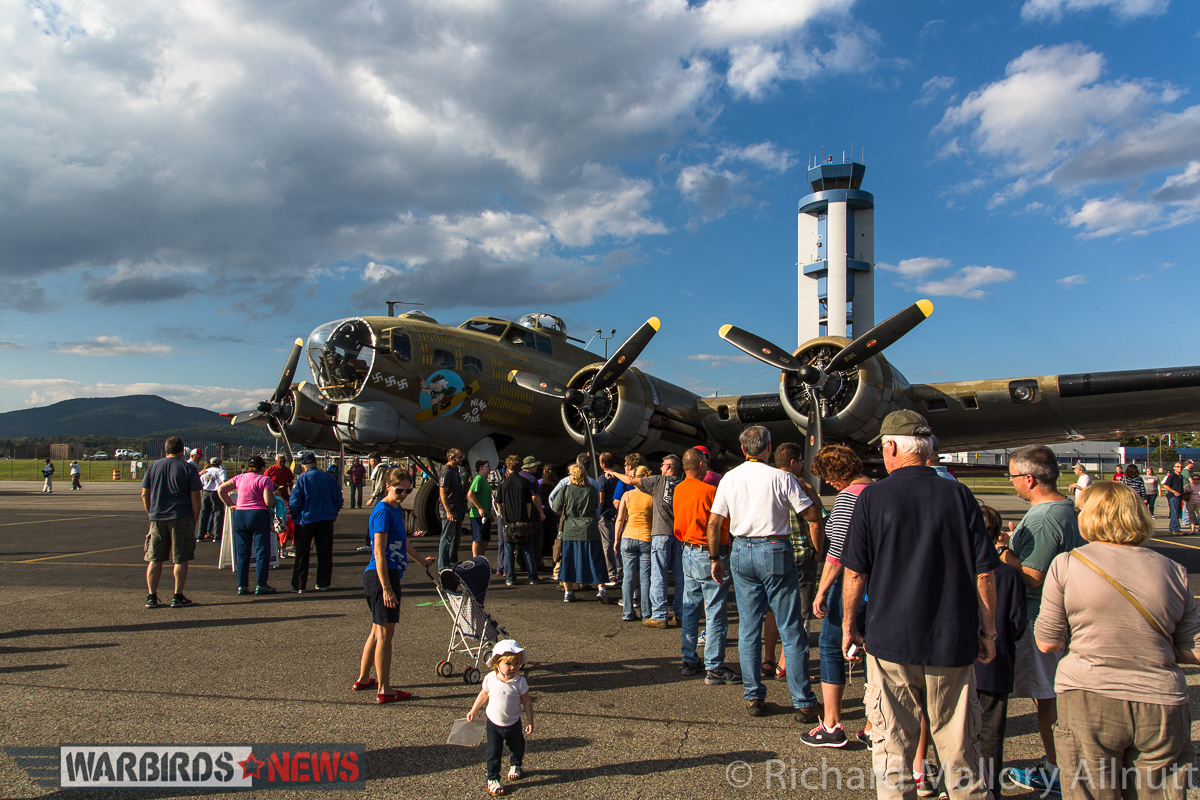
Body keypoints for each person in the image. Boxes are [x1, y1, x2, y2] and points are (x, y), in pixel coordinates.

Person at [841, 410, 998, 800]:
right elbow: (984, 574)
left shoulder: (872, 497)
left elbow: (855, 574)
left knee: (894, 751)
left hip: (890, 640)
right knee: (961, 752)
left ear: (891, 447)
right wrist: (988, 631)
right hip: (951, 640)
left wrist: (849, 627)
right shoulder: (960, 495)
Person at [1035, 482, 1200, 800]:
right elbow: (1193, 648)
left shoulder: (1067, 564)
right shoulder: (1174, 571)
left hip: (1089, 695)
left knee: (1092, 791)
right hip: (1161, 701)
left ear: (1088, 517)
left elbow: (1047, 642)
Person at [707, 425, 823, 721]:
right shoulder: (781, 477)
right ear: (768, 447)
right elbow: (812, 515)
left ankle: (753, 696)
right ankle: (803, 700)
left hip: (741, 550)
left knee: (748, 627)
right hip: (774, 548)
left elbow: (714, 522)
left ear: (743, 449)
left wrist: (714, 557)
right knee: (790, 626)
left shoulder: (730, 478)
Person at [997, 443, 1085, 796]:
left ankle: (1057, 771)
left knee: (1048, 700)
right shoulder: (1065, 509)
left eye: (1013, 476)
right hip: (1063, 615)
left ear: (1029, 479)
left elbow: (1032, 576)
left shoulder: (1045, 517)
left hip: (1040, 618)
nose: (1012, 482)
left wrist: (1003, 552)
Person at [804, 444, 872, 748]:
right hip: (880, 586)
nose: (828, 482)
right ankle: (874, 725)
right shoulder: (878, 491)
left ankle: (831, 724)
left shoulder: (848, 497)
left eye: (829, 475)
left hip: (852, 585)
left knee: (832, 645)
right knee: (874, 652)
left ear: (839, 472)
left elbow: (838, 553)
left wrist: (821, 591)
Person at [354, 468, 433, 703]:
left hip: (385, 575)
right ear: (387, 486)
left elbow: (403, 542)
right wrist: (387, 587)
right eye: (399, 490)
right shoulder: (383, 511)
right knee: (385, 637)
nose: (404, 494)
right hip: (382, 576)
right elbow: (378, 551)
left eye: (408, 490)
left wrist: (421, 561)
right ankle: (385, 689)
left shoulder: (395, 509)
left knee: (376, 631)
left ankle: (364, 679)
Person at [675, 448, 739, 686]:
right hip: (709, 552)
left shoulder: (678, 489)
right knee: (715, 612)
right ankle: (713, 666)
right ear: (702, 465)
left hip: (688, 550)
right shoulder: (711, 491)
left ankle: (689, 659)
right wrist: (717, 556)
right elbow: (723, 523)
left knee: (690, 607)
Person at [976, 504, 1027, 797]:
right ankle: (989, 789)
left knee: (953, 732)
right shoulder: (1008, 574)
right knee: (991, 734)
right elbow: (1018, 622)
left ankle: (951, 785)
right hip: (996, 662)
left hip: (957, 662)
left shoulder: (954, 568)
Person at [764, 441, 824, 681]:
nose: (802, 465)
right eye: (800, 461)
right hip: (800, 554)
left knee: (772, 608)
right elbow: (816, 521)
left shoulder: (765, 484)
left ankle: (768, 659)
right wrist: (818, 551)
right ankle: (787, 662)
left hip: (772, 552)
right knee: (801, 612)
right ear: (793, 462)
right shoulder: (802, 485)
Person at [607, 455, 683, 628]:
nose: (661, 467)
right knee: (672, 576)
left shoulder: (654, 484)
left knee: (650, 576)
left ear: (669, 467)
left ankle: (651, 614)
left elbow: (620, 516)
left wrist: (613, 473)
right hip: (669, 536)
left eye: (663, 465)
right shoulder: (680, 484)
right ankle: (671, 613)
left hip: (649, 535)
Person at [141, 437, 203, 609]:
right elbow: (196, 498)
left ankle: (151, 596)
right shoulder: (188, 468)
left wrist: (151, 513)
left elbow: (145, 494)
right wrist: (194, 519)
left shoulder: (153, 466)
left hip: (157, 516)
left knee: (155, 558)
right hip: (181, 516)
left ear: (165, 449)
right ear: (182, 450)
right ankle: (177, 595)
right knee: (180, 558)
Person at [467, 639, 534, 797]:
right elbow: (483, 695)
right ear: (497, 663)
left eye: (517, 663)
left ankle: (516, 765)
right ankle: (493, 779)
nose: (513, 668)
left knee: (518, 746)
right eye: (508, 664)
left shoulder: (520, 682)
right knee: (493, 753)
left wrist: (530, 721)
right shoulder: (491, 678)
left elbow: (526, 701)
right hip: (494, 725)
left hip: (513, 723)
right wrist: (473, 709)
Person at [218, 454, 277, 596]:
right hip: (258, 514)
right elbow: (268, 501)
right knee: (262, 550)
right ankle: (261, 584)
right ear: (262, 467)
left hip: (240, 514)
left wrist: (230, 505)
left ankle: (242, 585)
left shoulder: (239, 478)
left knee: (242, 552)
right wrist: (275, 502)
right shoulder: (265, 479)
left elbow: (221, 489)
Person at [551, 465, 609, 603]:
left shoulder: (566, 489)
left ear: (573, 475)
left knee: (568, 561)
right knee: (596, 559)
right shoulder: (592, 490)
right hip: (590, 529)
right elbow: (596, 506)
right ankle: (601, 589)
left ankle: (568, 592)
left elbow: (556, 507)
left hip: (570, 530)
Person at [289, 451, 344, 593]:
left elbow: (295, 501)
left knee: (302, 553)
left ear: (303, 466)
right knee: (325, 552)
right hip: (325, 519)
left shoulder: (302, 480)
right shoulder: (328, 478)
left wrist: (294, 516)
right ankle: (323, 582)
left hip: (305, 520)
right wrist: (334, 511)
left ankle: (300, 584)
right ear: (316, 463)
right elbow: (338, 497)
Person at [615, 466, 653, 622]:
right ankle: (646, 612)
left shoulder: (627, 495)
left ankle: (628, 612)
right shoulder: (652, 496)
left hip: (628, 537)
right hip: (646, 538)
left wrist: (616, 539)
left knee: (628, 578)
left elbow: (620, 519)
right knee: (645, 578)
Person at [498, 455, 538, 585]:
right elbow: (528, 502)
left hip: (509, 521)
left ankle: (510, 578)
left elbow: (498, 501)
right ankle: (532, 577)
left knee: (509, 551)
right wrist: (527, 517)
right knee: (527, 550)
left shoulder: (503, 483)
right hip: (522, 519)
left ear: (508, 467)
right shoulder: (524, 482)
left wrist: (502, 515)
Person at [597, 453, 625, 587]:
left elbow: (601, 500)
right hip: (620, 514)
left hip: (607, 515)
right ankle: (621, 572)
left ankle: (612, 575)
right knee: (618, 543)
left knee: (607, 545)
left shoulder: (603, 479)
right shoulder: (621, 476)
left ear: (602, 464)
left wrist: (598, 513)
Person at [467, 460, 494, 560]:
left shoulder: (484, 480)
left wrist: (488, 513)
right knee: (478, 538)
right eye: (487, 466)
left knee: (485, 538)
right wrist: (479, 508)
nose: (490, 468)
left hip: (484, 514)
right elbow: (470, 494)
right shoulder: (478, 479)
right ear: (481, 468)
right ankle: (475, 560)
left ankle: (481, 559)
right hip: (477, 515)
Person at [198, 457, 227, 542]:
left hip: (205, 492)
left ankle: (200, 535)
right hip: (216, 492)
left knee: (204, 514)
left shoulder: (205, 471)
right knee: (218, 513)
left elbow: (201, 483)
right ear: (219, 463)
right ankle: (217, 536)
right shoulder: (221, 471)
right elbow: (224, 481)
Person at [1162, 461, 1185, 534]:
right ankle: (1176, 529)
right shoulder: (1172, 475)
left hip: (1179, 496)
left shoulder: (1180, 476)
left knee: (1176, 512)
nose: (1179, 468)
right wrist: (1174, 492)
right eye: (1178, 467)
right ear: (1174, 468)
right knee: (1175, 512)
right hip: (1173, 497)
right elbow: (1165, 485)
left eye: (1181, 467)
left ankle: (1171, 528)